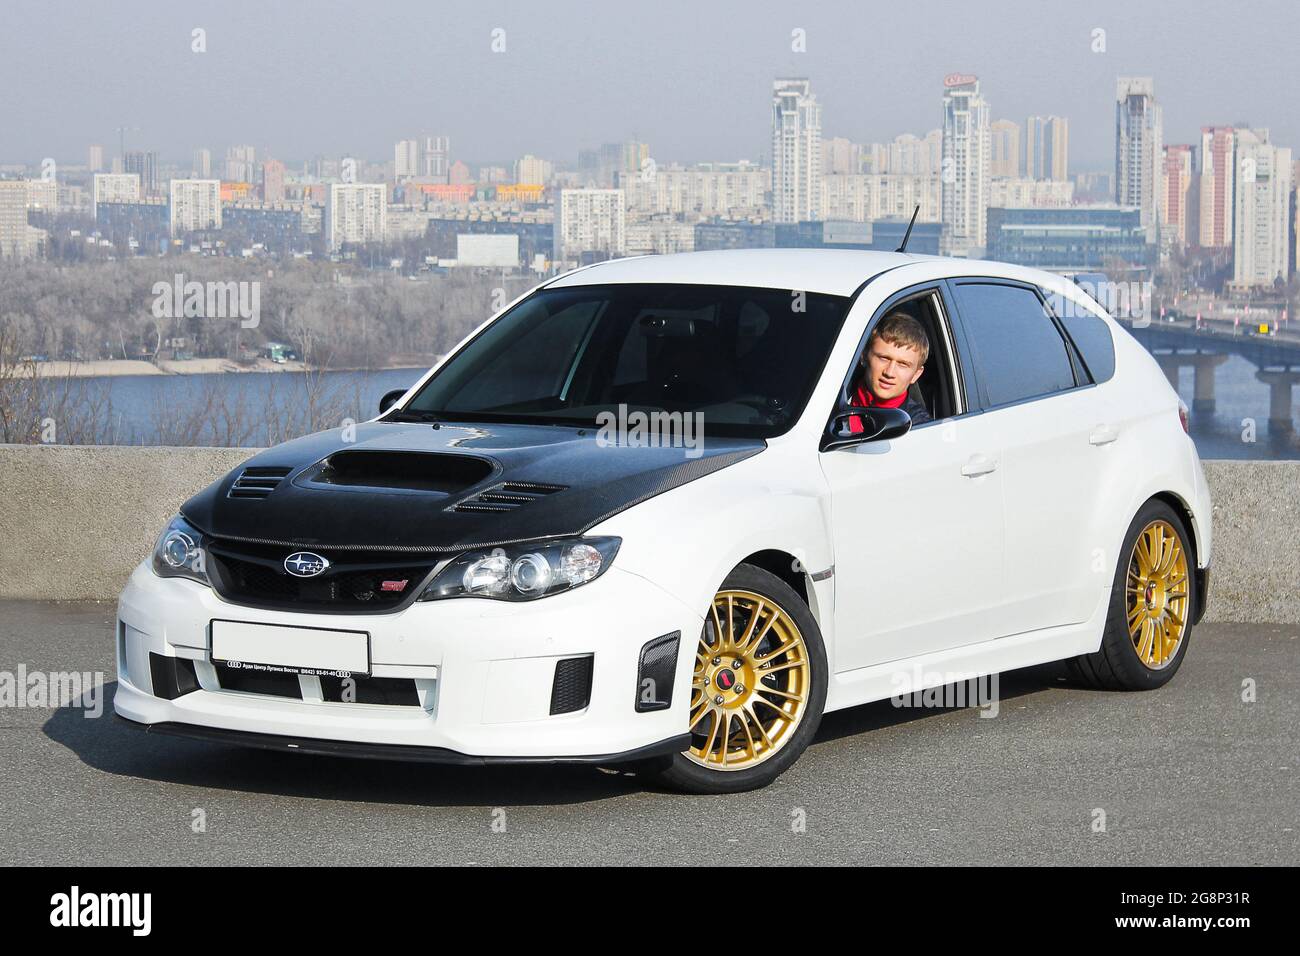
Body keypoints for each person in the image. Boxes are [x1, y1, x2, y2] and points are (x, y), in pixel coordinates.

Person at [848, 312, 932, 432]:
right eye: (884, 358)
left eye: (903, 364)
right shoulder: (830, 399)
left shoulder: (919, 428)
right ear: (864, 356)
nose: (889, 373)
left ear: (916, 374)